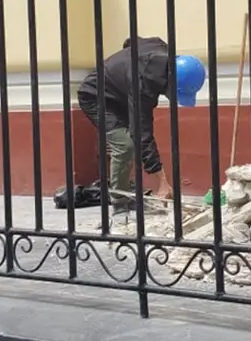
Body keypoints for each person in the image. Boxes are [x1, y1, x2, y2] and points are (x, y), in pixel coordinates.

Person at [76, 37, 206, 213]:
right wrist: (162, 182)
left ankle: (125, 186)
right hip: (95, 97)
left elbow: (131, 41)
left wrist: (122, 64)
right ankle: (120, 202)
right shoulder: (143, 83)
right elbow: (143, 133)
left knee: (132, 141)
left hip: (119, 94)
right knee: (125, 144)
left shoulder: (162, 51)